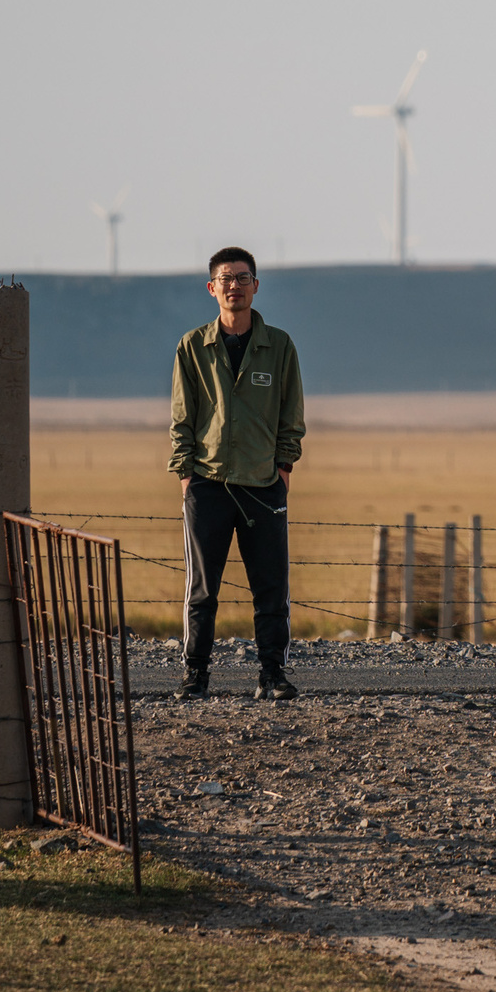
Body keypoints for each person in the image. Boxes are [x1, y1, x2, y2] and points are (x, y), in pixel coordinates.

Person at [168, 246, 305, 699]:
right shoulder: (193, 346)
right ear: (212, 288)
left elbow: (291, 417)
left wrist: (282, 470)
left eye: (243, 278)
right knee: (202, 590)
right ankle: (195, 675)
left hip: (264, 484)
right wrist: (187, 478)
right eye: (226, 279)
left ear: (256, 286)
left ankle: (272, 675)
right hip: (208, 484)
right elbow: (181, 419)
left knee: (271, 588)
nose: (234, 286)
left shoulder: (279, 346)